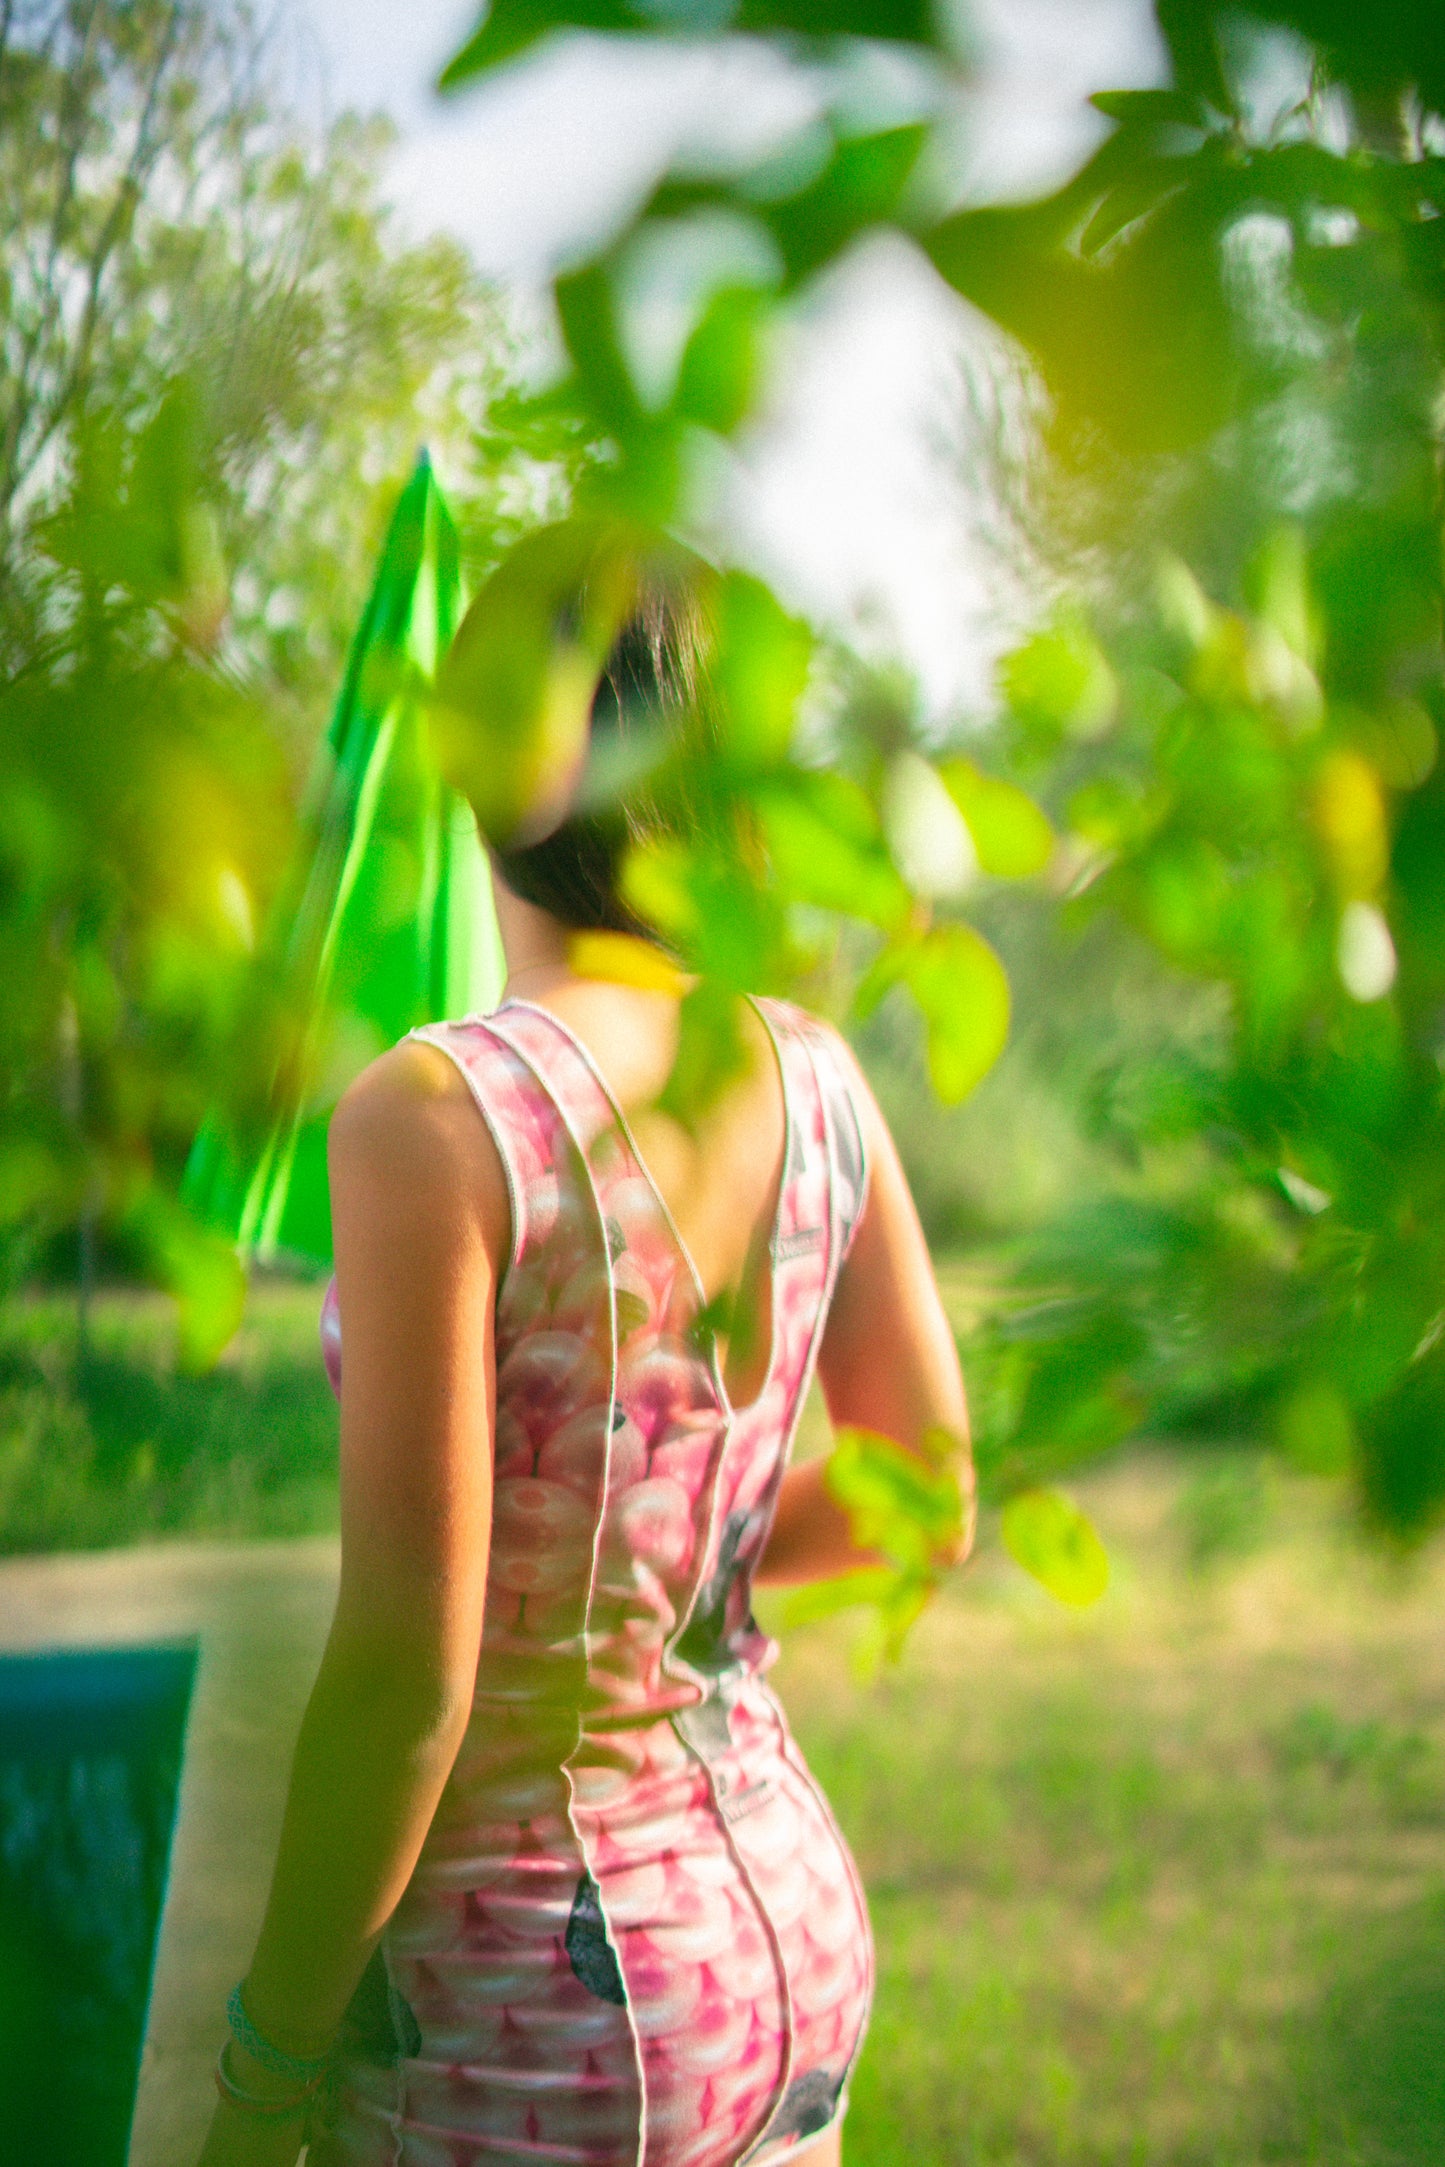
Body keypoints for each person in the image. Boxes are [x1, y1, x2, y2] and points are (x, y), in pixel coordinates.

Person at [199, 586, 972, 2167]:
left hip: (540, 2016)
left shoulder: (433, 1113)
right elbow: (931, 1499)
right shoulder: (814, 1073)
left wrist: (263, 2067)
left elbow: (411, 1683)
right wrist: (661, 1574)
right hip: (783, 1941)